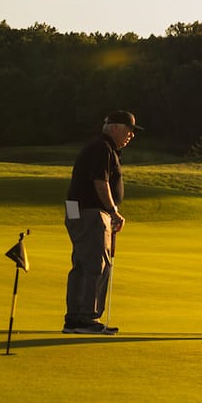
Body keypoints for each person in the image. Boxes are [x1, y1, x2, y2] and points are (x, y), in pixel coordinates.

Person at [63, 110, 136, 335]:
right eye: (128, 130)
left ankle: (74, 318)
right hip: (91, 211)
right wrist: (113, 211)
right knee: (97, 263)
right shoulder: (103, 148)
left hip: (76, 208)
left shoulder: (98, 146)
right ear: (114, 128)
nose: (131, 136)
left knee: (82, 262)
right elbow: (100, 182)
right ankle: (87, 318)